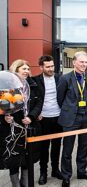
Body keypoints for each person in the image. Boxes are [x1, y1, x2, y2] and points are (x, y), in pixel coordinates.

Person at [57, 51, 87, 187]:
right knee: (67, 149)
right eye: (81, 62)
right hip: (71, 119)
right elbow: (60, 98)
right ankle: (66, 176)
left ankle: (81, 171)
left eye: (85, 62)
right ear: (74, 62)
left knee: (83, 147)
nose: (83, 65)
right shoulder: (65, 78)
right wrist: (70, 110)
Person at [4, 59, 43, 187]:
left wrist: (31, 117)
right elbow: (4, 106)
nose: (27, 71)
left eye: (27, 69)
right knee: (14, 159)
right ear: (15, 70)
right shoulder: (9, 86)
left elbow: (39, 103)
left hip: (30, 126)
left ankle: (25, 183)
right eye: (23, 69)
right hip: (13, 128)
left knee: (28, 158)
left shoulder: (33, 84)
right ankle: (15, 184)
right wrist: (6, 118)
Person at [33, 55, 63, 185]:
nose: (51, 69)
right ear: (41, 67)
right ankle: (43, 173)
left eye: (52, 66)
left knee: (57, 146)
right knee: (44, 147)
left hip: (58, 117)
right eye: (48, 66)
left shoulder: (60, 78)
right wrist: (36, 114)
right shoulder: (35, 80)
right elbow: (31, 100)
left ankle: (55, 170)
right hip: (43, 118)